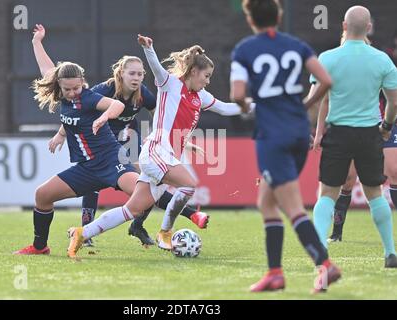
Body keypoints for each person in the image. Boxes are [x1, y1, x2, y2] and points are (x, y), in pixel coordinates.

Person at [66, 33, 244, 258]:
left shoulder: (201, 97)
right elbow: (157, 68)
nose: (208, 81)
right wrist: (148, 49)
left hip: (167, 156)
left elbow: (228, 108)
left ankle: (81, 233)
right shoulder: (170, 84)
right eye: (206, 76)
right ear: (193, 72)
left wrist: (261, 105)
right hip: (156, 151)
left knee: (131, 210)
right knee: (189, 184)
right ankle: (165, 232)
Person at [231, 0, 339, 293]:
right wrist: (305, 104)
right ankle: (275, 273)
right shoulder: (297, 45)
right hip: (297, 133)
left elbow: (238, 93)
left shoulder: (244, 50)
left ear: (250, 18)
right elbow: (326, 80)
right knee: (266, 201)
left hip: (272, 136)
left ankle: (325, 265)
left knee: (291, 207)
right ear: (279, 16)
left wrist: (246, 107)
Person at [50, 55, 210, 248]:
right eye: (132, 73)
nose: (136, 78)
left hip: (128, 141)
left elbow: (161, 115)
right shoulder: (104, 90)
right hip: (103, 144)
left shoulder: (142, 93)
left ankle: (138, 225)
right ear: (121, 73)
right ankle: (86, 229)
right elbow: (78, 108)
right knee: (94, 182)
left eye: (140, 74)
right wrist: (61, 134)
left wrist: (165, 139)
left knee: (151, 179)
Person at [14, 24, 141, 255]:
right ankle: (40, 247)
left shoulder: (90, 97)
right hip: (86, 169)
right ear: (59, 87)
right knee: (42, 195)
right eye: (68, 89)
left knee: (143, 194)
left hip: (111, 161)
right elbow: (46, 68)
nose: (73, 92)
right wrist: (36, 42)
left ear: (82, 81)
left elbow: (118, 104)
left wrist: (104, 116)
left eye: (76, 87)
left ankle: (172, 226)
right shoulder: (62, 91)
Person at [310, 6, 397, 268]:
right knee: (374, 194)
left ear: (344, 26)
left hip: (338, 132)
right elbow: (393, 101)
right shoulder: (382, 60)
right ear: (369, 27)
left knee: (327, 194)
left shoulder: (327, 58)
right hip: (370, 133)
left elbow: (316, 101)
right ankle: (390, 252)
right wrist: (386, 125)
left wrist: (318, 130)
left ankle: (321, 250)